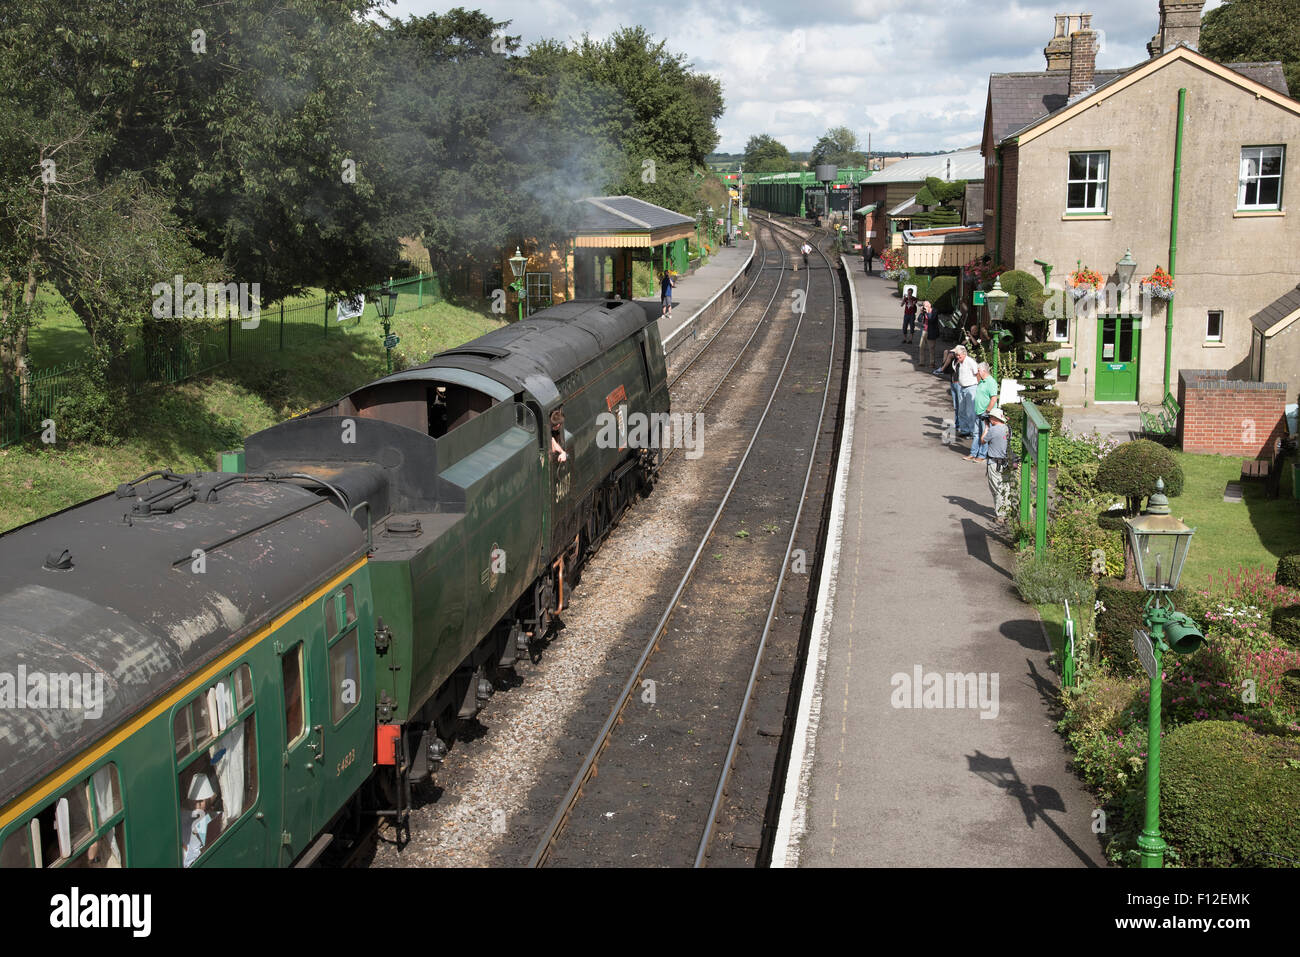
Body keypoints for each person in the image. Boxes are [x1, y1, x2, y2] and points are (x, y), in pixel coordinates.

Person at [964, 362, 1000, 461]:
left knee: (985, 435)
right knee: (976, 433)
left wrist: (987, 411)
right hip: (978, 412)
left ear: (984, 371)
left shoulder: (991, 382)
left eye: (979, 370)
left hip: (986, 413)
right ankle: (973, 453)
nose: (977, 372)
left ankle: (982, 455)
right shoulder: (982, 381)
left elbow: (993, 398)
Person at [953, 344, 979, 437]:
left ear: (964, 354)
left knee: (970, 411)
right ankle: (965, 430)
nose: (957, 356)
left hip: (971, 387)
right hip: (962, 387)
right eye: (956, 355)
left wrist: (978, 387)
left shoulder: (970, 361)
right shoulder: (961, 362)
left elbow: (977, 373)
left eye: (959, 354)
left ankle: (972, 431)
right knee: (962, 410)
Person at [917, 301, 937, 368]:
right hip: (924, 331)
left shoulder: (934, 311)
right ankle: (921, 362)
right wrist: (921, 313)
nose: (925, 307)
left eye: (926, 306)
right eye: (924, 306)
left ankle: (932, 363)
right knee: (921, 347)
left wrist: (928, 312)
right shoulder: (924, 312)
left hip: (931, 331)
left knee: (931, 348)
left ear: (930, 305)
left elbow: (932, 320)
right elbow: (919, 320)